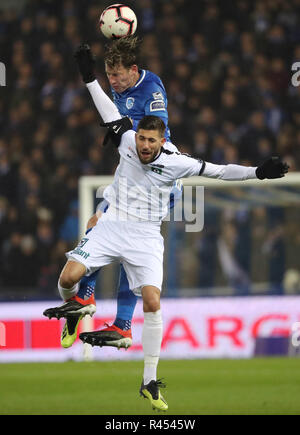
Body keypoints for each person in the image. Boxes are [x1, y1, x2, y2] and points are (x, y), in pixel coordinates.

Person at [43, 44, 289, 411]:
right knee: (67, 279)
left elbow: (221, 172)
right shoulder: (126, 138)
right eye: (140, 138)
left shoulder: (178, 161)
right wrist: (88, 76)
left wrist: (258, 172)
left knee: (154, 301)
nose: (143, 145)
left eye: (150, 141)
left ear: (163, 141)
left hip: (145, 233)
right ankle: (78, 307)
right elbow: (107, 109)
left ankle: (149, 379)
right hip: (116, 221)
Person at [58, 37, 181, 350]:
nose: (113, 82)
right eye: (108, 76)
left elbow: (154, 139)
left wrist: (123, 131)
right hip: (131, 174)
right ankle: (99, 307)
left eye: (117, 76)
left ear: (133, 71)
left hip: (155, 180)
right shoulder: (119, 86)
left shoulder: (152, 90)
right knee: (95, 224)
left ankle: (109, 313)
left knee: (122, 240)